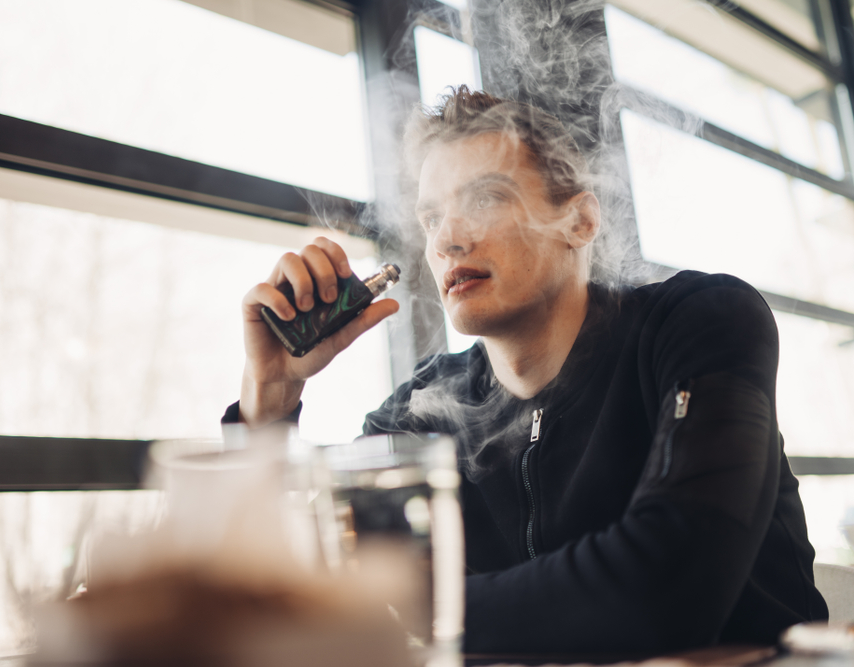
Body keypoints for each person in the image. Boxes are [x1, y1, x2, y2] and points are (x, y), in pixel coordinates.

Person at [223, 87, 827, 653]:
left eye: (485, 199)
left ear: (580, 222)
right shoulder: (419, 415)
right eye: (432, 217)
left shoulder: (698, 323)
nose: (447, 241)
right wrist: (270, 396)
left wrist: (428, 610)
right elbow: (254, 595)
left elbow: (669, 585)